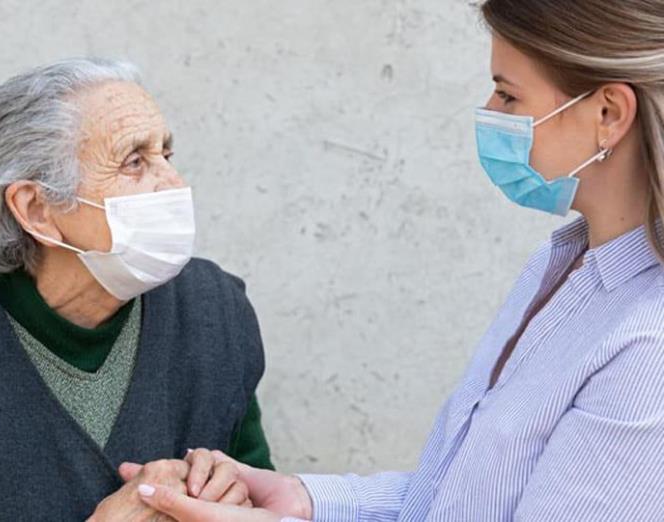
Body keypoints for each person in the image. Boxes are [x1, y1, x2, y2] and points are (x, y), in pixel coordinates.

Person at [134, 1, 664, 520]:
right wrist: (306, 500)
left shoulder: (648, 344)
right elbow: (461, 497)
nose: (489, 112)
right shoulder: (563, 267)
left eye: (507, 94)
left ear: (608, 114)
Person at [0, 58, 274, 521]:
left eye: (167, 155)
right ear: (36, 209)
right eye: (134, 161)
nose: (174, 184)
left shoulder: (213, 311)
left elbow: (266, 497)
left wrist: (236, 498)